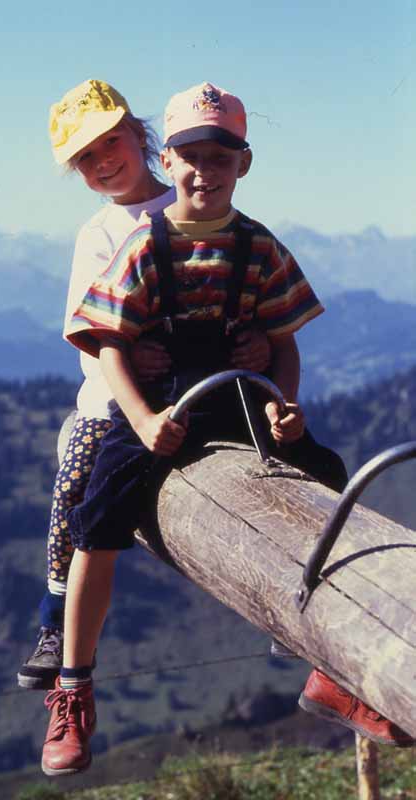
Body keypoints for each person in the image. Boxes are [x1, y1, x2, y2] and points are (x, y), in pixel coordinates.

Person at [40, 81, 414, 775]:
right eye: (191, 157)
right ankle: (72, 683)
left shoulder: (257, 246)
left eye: (219, 158)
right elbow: (107, 342)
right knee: (99, 515)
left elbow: (282, 336)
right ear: (171, 158)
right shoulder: (137, 244)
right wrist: (145, 417)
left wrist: (283, 401)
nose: (202, 171)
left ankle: (329, 662)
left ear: (242, 163)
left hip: (234, 398)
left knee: (321, 478)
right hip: (153, 402)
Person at [17, 79, 271, 691]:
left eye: (111, 143)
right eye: (86, 158)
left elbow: (244, 293)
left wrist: (255, 342)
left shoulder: (202, 202)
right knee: (77, 478)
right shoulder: (99, 234)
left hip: (205, 387)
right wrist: (129, 356)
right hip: (122, 397)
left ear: (142, 135)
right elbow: (86, 333)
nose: (103, 161)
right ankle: (55, 623)